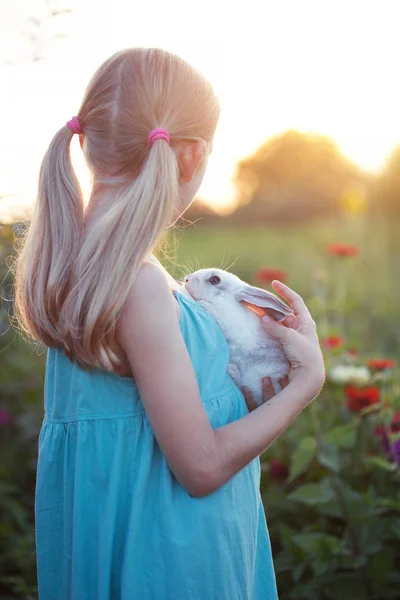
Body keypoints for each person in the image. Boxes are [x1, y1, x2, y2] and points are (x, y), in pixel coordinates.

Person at [12, 47, 325, 599]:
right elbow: (200, 467)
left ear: (86, 145)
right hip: (170, 562)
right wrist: (304, 385)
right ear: (190, 156)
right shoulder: (138, 284)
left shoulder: (76, 266)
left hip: (123, 547)